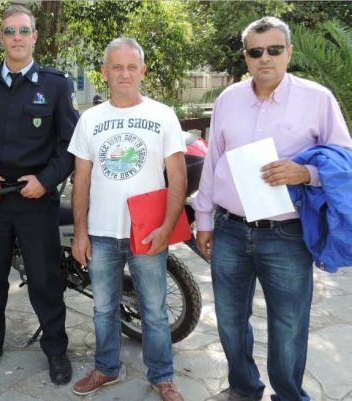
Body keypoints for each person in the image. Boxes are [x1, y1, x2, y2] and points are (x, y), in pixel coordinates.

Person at [193, 17, 352, 401]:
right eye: (256, 51)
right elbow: (213, 161)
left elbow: (345, 161)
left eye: (274, 50)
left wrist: (306, 173)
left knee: (289, 326)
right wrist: (204, 219)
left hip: (287, 234)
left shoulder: (317, 99)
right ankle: (243, 388)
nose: (265, 58)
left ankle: (289, 396)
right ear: (246, 56)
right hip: (230, 229)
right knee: (230, 321)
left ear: (289, 52)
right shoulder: (228, 100)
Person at [0, 4, 78, 385]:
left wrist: (45, 180)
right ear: (1, 37)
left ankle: (55, 348)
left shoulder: (56, 85)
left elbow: (70, 145)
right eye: (10, 31)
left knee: (44, 279)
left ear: (34, 36)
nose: (17, 37)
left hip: (34, 200)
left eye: (24, 31)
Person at [68, 37, 187, 401]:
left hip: (148, 232)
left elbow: (177, 176)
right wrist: (80, 233)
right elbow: (81, 180)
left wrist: (167, 227)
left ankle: (163, 376)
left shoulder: (163, 115)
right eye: (117, 67)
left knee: (154, 311)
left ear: (142, 71)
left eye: (131, 67)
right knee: (104, 309)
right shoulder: (89, 119)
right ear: (104, 72)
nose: (124, 74)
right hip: (101, 233)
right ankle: (106, 368)